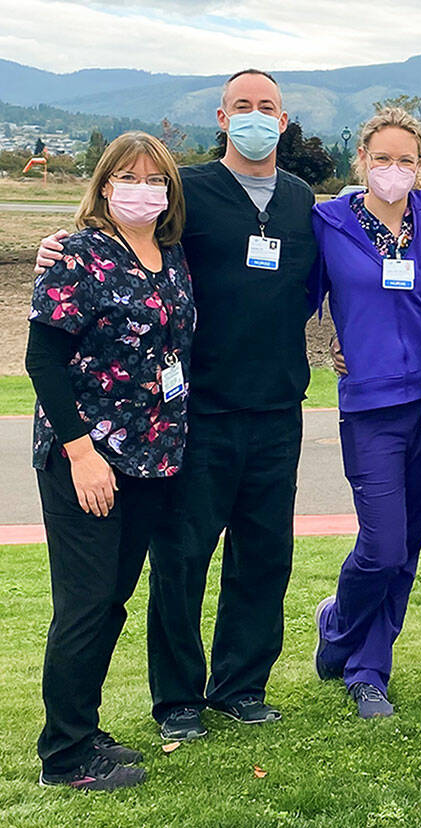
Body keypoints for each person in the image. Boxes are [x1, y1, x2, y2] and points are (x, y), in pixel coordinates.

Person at [36, 69, 318, 742]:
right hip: (194, 413)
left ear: (284, 121)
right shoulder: (184, 191)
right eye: (242, 106)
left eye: (268, 107)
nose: (255, 115)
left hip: (277, 408)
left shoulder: (304, 200)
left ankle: (242, 685)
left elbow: (316, 288)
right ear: (223, 116)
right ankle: (178, 699)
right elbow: (120, 242)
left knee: (265, 555)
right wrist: (58, 242)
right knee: (182, 558)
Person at [26, 132, 193, 789]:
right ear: (103, 185)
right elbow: (42, 358)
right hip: (86, 457)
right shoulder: (77, 254)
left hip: (150, 457)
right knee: (86, 601)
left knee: (112, 599)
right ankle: (64, 759)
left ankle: (83, 728)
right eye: (129, 177)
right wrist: (80, 452)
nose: (143, 189)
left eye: (156, 180)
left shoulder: (171, 256)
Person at [310, 107, 421, 718]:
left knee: (410, 545)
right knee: (382, 545)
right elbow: (287, 293)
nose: (394, 170)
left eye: (406, 160)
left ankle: (370, 670)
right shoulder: (326, 222)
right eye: (382, 158)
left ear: (420, 169)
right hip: (368, 407)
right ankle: (337, 624)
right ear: (361, 160)